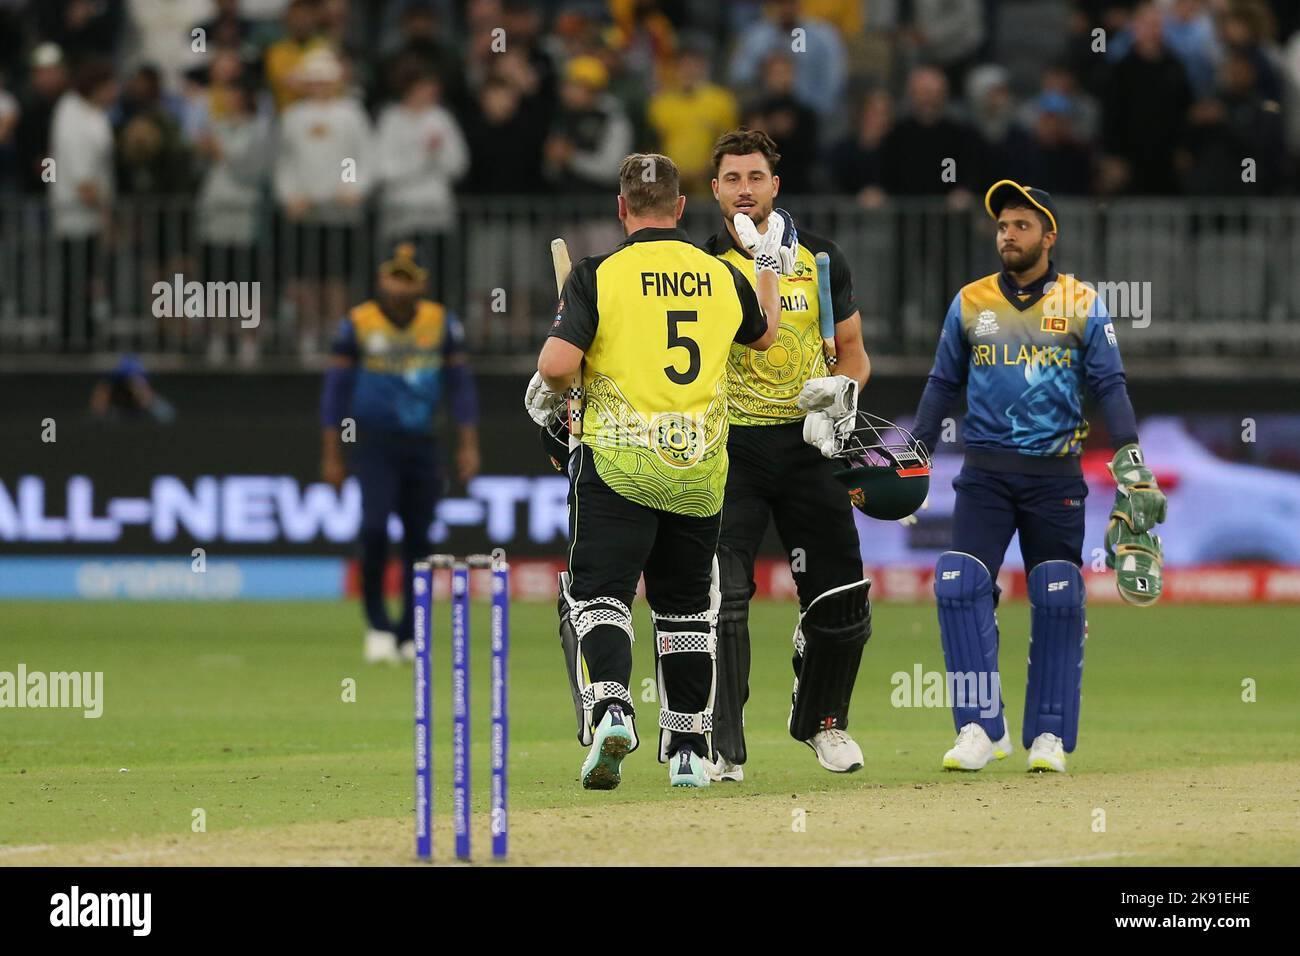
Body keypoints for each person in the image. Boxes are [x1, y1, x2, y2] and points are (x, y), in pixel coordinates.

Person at [526, 152, 780, 790]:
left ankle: (612, 706)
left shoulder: (598, 274)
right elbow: (766, 335)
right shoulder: (721, 274)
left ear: (621, 209)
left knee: (599, 593)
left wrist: (570, 378)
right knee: (686, 609)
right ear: (682, 207)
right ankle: (691, 748)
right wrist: (768, 265)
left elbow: (556, 368)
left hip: (617, 460)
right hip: (698, 469)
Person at [907, 180, 1167, 773]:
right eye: (1002, 226)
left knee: (1057, 595)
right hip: (986, 473)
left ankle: (1047, 737)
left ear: (1049, 236)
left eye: (1022, 225)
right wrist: (916, 451)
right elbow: (943, 384)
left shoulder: (1081, 302)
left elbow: (1108, 385)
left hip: (1055, 477)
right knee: (956, 586)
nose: (1008, 235)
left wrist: (1129, 453)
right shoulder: (970, 302)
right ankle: (979, 727)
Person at [701, 128, 873, 782]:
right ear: (715, 190)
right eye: (732, 179)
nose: (745, 189)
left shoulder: (822, 259)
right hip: (731, 448)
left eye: (756, 177)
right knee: (724, 594)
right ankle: (723, 743)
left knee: (842, 597)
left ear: (776, 184)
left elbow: (853, 351)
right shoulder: (704, 265)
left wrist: (845, 391)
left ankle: (824, 722)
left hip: (810, 445)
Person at [320, 243, 481, 664]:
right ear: (381, 277)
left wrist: (467, 445)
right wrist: (332, 454)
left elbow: (461, 388)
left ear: (421, 283)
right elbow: (335, 393)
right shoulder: (358, 322)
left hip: (424, 446)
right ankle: (377, 625)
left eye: (408, 276)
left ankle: (411, 633)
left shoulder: (440, 322)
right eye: (394, 274)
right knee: (374, 531)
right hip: (374, 445)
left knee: (419, 541)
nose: (399, 283)